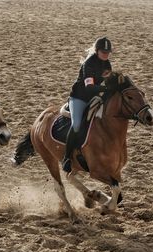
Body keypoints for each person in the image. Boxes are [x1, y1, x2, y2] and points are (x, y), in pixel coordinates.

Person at [62, 37, 113, 172]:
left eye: (108, 52)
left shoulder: (107, 64)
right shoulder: (88, 64)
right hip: (79, 98)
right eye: (103, 52)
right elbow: (89, 87)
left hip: (94, 97)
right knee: (77, 124)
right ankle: (67, 157)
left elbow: (108, 81)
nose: (106, 54)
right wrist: (105, 89)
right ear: (97, 51)